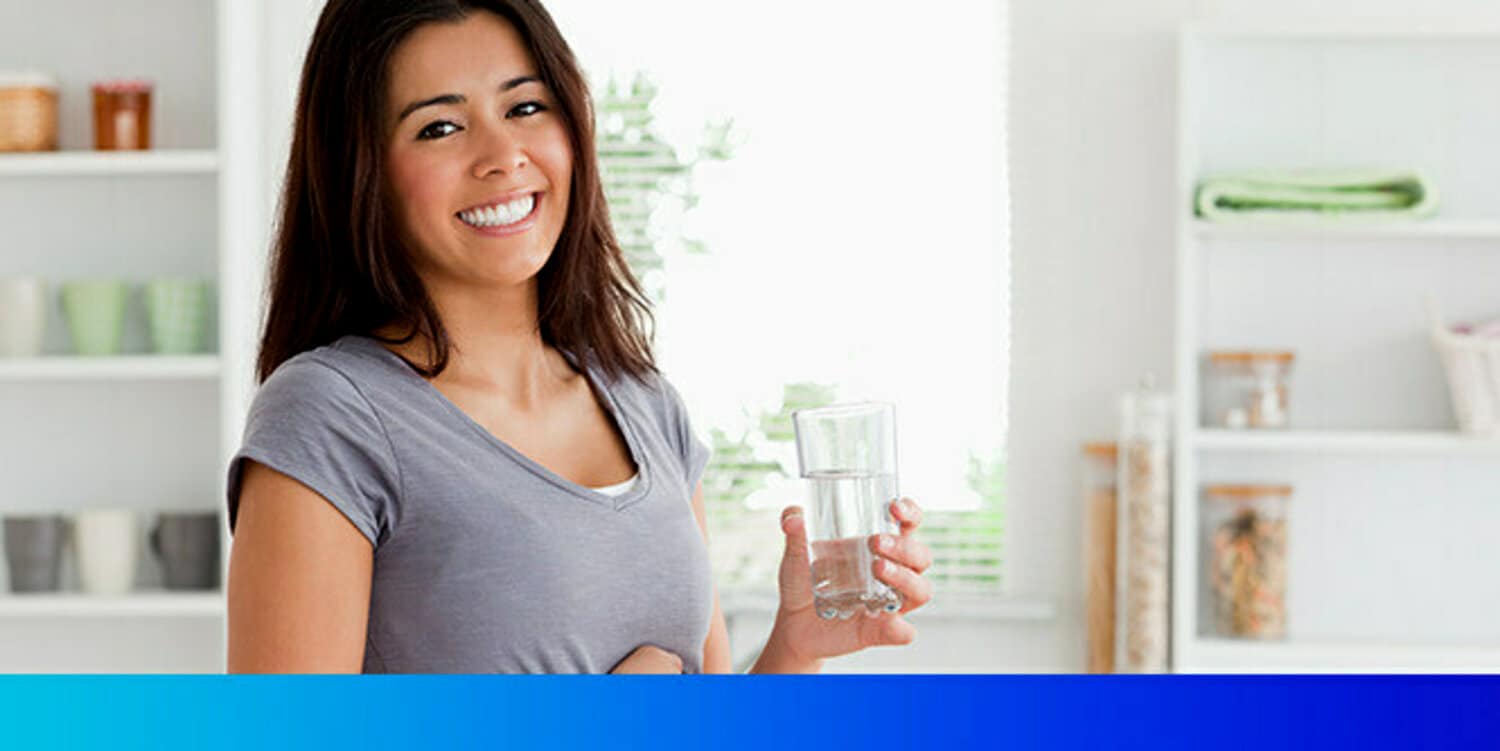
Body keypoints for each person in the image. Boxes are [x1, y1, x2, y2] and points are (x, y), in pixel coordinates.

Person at [225, 0, 933, 674]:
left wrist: (795, 645)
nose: (503, 154)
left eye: (526, 107)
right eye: (440, 127)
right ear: (362, 170)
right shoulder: (330, 417)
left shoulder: (647, 404)